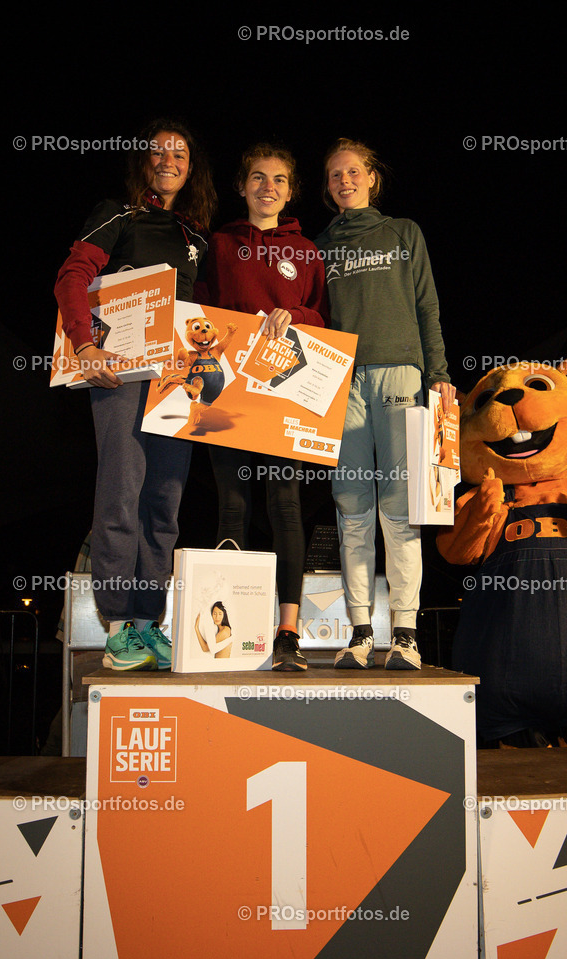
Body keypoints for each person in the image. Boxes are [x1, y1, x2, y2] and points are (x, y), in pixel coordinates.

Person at [54, 119, 215, 671]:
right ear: (143, 161)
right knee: (121, 494)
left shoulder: (196, 236)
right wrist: (83, 344)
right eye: (159, 152)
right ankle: (117, 625)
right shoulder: (117, 213)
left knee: (165, 502)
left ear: (191, 168)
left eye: (181, 154)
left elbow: (210, 318)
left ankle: (148, 624)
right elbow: (72, 276)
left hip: (176, 379)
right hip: (120, 375)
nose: (169, 160)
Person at [315, 138, 456, 671]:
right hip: (342, 382)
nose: (344, 181)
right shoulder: (320, 245)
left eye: (353, 172)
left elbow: (427, 305)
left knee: (400, 510)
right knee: (352, 509)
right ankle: (358, 632)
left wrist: (438, 375)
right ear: (327, 188)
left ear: (373, 177)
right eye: (334, 176)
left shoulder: (404, 232)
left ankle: (405, 633)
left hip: (401, 376)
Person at [201, 143, 329, 671]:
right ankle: (226, 622)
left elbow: (326, 320)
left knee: (285, 507)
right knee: (231, 505)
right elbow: (198, 312)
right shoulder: (221, 243)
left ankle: (287, 634)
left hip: (284, 389)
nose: (267, 187)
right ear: (242, 186)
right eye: (257, 177)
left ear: (290, 191)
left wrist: (295, 315)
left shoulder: (307, 251)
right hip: (229, 391)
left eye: (278, 179)